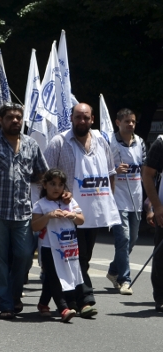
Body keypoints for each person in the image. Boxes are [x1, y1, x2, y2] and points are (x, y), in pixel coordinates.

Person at [0, 103, 48, 319]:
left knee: (24, 256)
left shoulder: (31, 144)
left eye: (18, 117)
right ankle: (4, 303)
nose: (15, 121)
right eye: (10, 117)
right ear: (1, 120)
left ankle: (14, 295)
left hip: (23, 212)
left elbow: (42, 173)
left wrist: (60, 194)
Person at [44, 103, 120, 318]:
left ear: (92, 119)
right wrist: (58, 198)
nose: (82, 121)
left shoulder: (101, 141)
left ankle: (66, 299)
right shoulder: (59, 143)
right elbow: (45, 177)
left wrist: (108, 202)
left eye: (86, 117)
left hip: (93, 212)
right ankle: (85, 299)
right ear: (71, 118)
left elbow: (110, 174)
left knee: (83, 257)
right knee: (76, 256)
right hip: (67, 214)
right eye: (78, 117)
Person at [31, 169, 84, 322]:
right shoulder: (40, 204)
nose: (57, 188)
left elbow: (81, 220)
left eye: (60, 185)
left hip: (68, 247)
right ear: (45, 185)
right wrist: (49, 216)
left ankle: (43, 303)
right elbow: (35, 226)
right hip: (49, 247)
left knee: (53, 276)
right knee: (55, 276)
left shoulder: (70, 201)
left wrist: (73, 215)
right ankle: (63, 308)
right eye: (52, 184)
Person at [106, 109, 145, 295]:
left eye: (133, 121)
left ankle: (114, 270)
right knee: (124, 239)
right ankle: (125, 280)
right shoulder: (110, 142)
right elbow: (100, 168)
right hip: (117, 199)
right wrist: (114, 171)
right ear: (117, 122)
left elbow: (145, 170)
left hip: (136, 198)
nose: (131, 124)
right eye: (127, 121)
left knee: (132, 240)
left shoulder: (140, 142)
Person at [142, 135, 163, 313]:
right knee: (162, 256)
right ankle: (161, 296)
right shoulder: (161, 143)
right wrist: (156, 206)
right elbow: (147, 175)